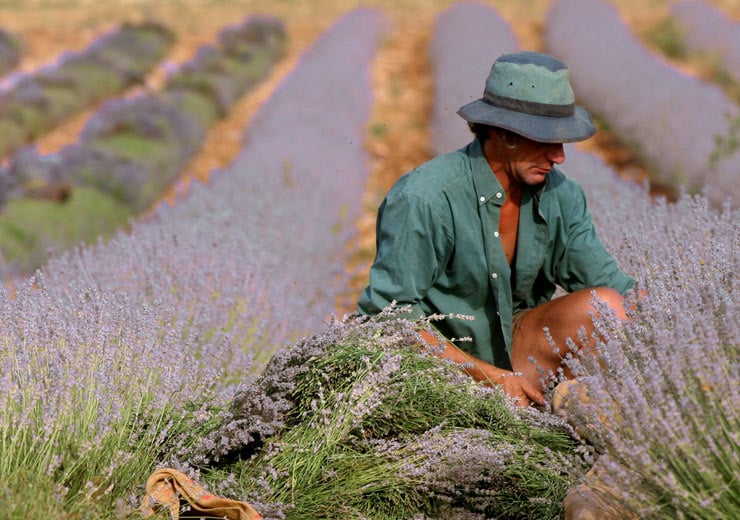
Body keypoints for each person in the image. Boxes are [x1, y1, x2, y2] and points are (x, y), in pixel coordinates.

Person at [357, 51, 634, 407]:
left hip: (516, 350)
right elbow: (388, 317)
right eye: (546, 140)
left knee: (607, 308)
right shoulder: (425, 198)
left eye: (562, 141)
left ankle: (567, 425)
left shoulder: (561, 195)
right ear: (502, 133)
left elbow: (611, 284)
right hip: (438, 367)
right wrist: (489, 378)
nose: (559, 156)